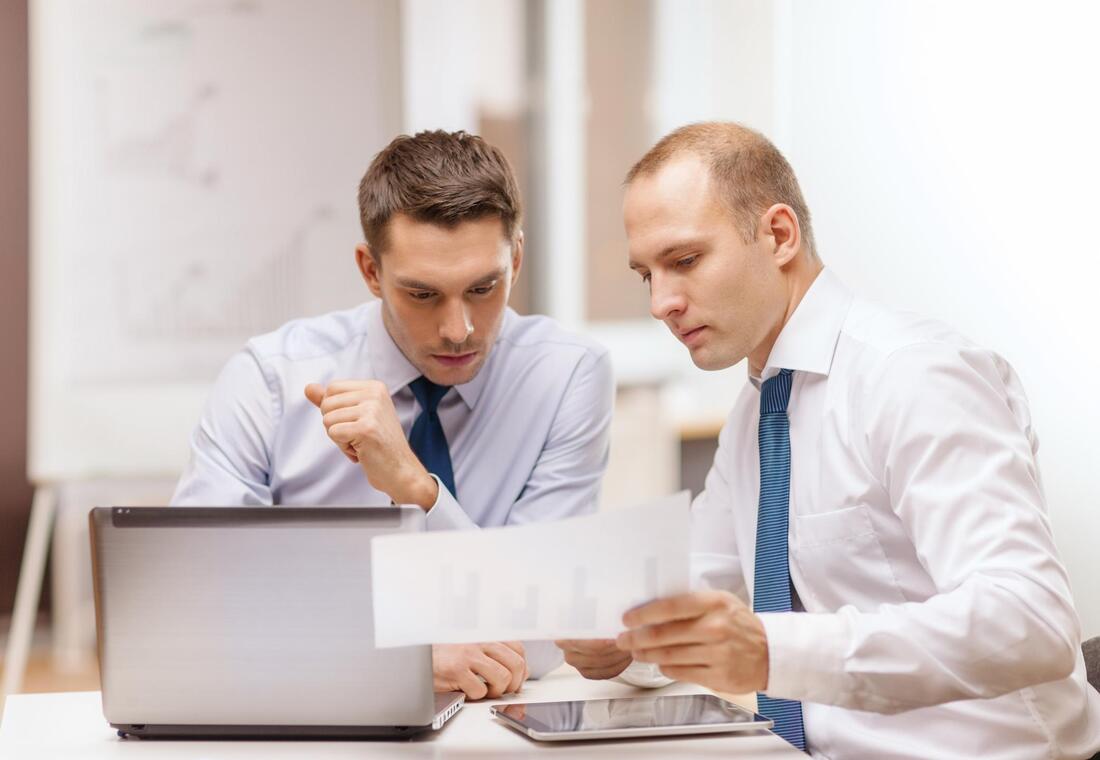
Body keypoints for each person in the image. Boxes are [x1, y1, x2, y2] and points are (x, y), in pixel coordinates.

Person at [558, 122, 1100, 758]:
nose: (661, 303)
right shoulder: (759, 410)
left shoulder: (914, 374)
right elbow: (692, 586)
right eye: (646, 274)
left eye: (684, 260)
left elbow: (1030, 621)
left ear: (779, 235)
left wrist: (772, 650)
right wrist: (621, 638)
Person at [172, 129, 614, 701]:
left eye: (484, 287)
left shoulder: (568, 376)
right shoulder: (269, 381)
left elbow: (549, 627)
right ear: (370, 271)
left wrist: (416, 489)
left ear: (517, 259)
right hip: (314, 722)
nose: (459, 329)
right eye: (423, 295)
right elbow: (200, 605)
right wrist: (397, 658)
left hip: (501, 730)